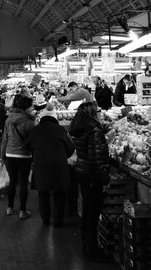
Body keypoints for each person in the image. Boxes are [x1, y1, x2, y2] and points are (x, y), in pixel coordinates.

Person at [69, 101, 111, 263]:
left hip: (82, 171)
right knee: (93, 211)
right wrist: (105, 179)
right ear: (93, 112)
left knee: (88, 209)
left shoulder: (80, 127)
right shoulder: (93, 129)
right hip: (92, 175)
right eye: (98, 110)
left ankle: (87, 243)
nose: (100, 113)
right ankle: (91, 247)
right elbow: (97, 158)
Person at [25, 103, 75, 227]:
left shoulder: (35, 130)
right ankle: (58, 221)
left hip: (41, 165)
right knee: (59, 194)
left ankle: (45, 219)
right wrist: (64, 156)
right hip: (59, 165)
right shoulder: (60, 130)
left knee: (43, 193)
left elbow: (27, 145)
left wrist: (36, 154)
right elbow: (70, 147)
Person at [0, 95, 35, 219]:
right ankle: (22, 211)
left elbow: (5, 139)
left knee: (12, 182)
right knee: (23, 184)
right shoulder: (30, 122)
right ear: (26, 107)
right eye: (31, 106)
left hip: (10, 154)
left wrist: (2, 156)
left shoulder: (8, 119)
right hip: (25, 156)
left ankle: (9, 208)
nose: (32, 108)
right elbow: (33, 142)